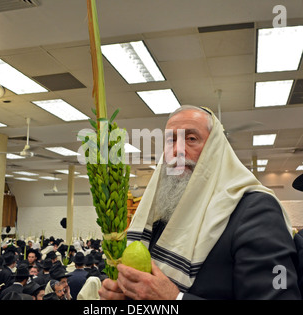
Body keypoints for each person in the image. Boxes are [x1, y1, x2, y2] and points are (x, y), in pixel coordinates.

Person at [99, 105, 301, 300]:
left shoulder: (257, 211)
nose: (177, 151)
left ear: (215, 150)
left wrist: (175, 298)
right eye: (170, 141)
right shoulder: (160, 215)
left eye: (191, 139)